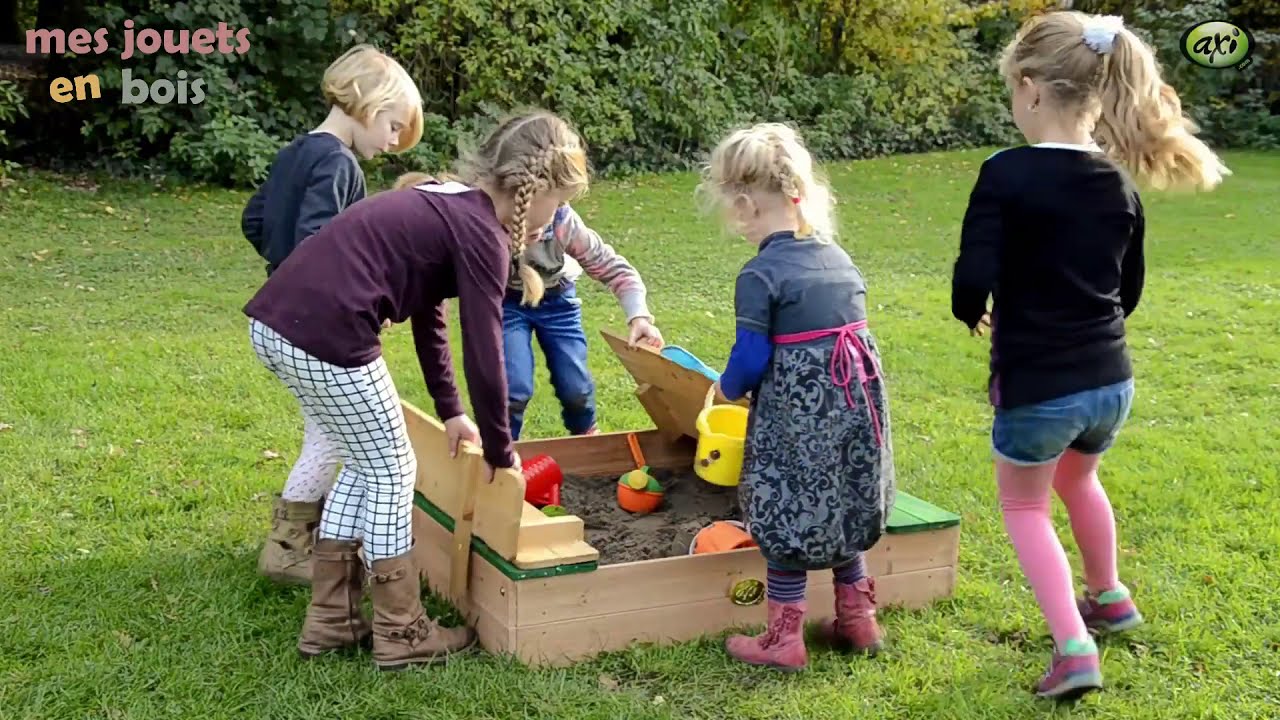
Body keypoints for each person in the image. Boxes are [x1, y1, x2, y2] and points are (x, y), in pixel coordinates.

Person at [243, 109, 590, 670]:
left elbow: (430, 314)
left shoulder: (454, 203)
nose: (558, 218)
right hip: (325, 331)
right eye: (560, 202)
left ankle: (333, 620)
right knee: (393, 470)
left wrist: (452, 412)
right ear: (539, 189)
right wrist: (502, 455)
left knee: (364, 463)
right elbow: (484, 350)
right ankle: (402, 632)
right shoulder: (483, 232)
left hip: (280, 324)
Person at [951, 11, 1229, 699]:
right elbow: (1127, 287)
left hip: (1039, 384)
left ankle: (1075, 648)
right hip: (1111, 381)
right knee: (1080, 479)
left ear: (1031, 89)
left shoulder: (1004, 174)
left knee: (1024, 506)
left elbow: (971, 274)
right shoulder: (1117, 181)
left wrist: (971, 310)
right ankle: (1110, 597)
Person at [702, 122, 896, 671]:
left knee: (788, 507)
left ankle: (784, 640)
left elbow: (753, 358)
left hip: (798, 417)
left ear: (744, 205)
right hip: (853, 412)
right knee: (839, 499)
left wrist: (725, 390)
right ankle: (858, 620)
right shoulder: (838, 258)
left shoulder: (761, 273)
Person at [240, 43, 424, 586]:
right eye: (393, 127)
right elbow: (318, 239)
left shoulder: (298, 150)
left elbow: (255, 219)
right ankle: (310, 547)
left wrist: (282, 270)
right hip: (314, 322)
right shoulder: (339, 164)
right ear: (369, 104)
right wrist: (349, 294)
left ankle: (293, 541)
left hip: (282, 311)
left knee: (325, 432)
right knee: (358, 445)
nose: (393, 143)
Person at [503, 202, 663, 440]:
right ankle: (502, 449)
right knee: (512, 389)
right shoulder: (485, 217)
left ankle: (586, 439)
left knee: (575, 388)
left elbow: (615, 269)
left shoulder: (563, 223)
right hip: (506, 303)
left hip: (558, 302)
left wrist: (638, 315)